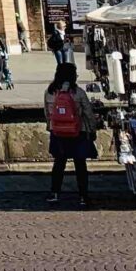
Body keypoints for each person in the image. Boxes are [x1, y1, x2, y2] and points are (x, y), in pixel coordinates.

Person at [44, 62, 97, 207]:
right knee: (80, 165)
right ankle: (83, 196)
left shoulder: (49, 92)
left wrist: (52, 128)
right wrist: (92, 129)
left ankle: (55, 193)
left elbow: (48, 114)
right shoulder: (78, 92)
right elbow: (88, 113)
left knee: (59, 164)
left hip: (58, 132)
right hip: (77, 132)